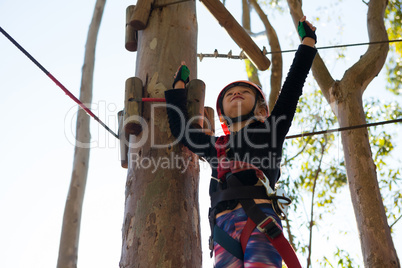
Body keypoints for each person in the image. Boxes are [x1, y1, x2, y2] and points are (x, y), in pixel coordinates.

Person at [165, 16, 317, 268]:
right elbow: (182, 131)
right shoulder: (215, 146)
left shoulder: (271, 129)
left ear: (258, 107)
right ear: (222, 112)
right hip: (223, 228)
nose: (236, 93)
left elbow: (292, 88)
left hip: (259, 219)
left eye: (244, 92)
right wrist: (179, 85)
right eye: (229, 93)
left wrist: (308, 42)